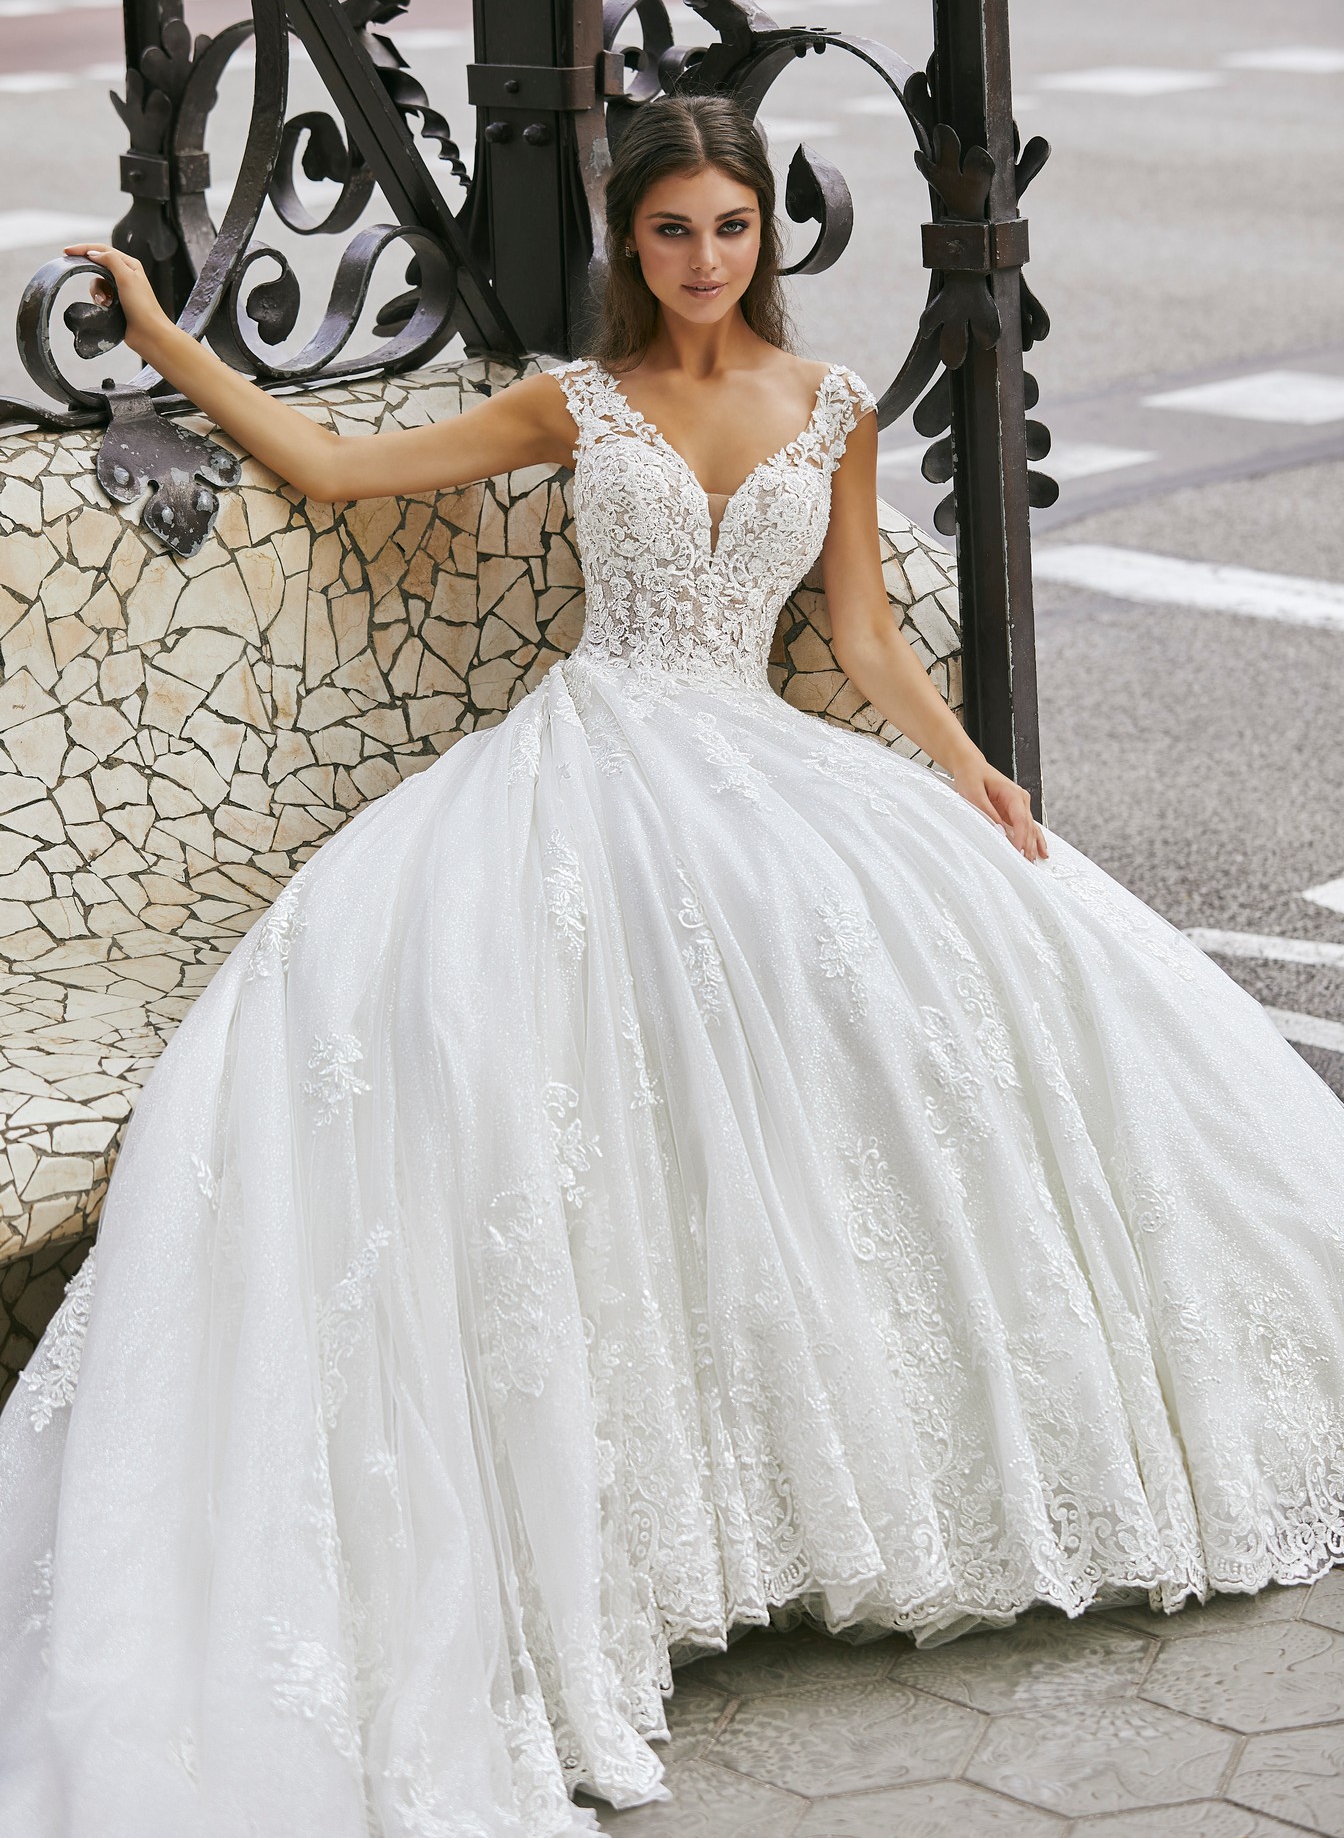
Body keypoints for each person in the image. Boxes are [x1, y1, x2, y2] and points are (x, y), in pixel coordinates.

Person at [1, 92, 1340, 1838]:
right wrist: (170, 337)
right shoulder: (578, 399)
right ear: (629, 246)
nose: (706, 261)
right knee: (542, 1061)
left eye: (730, 228)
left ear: (762, 236)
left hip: (763, 759)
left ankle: (889, 1482)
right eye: (670, 232)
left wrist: (965, 768)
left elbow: (851, 627)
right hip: (586, 766)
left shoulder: (834, 405)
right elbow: (334, 470)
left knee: (909, 1013)